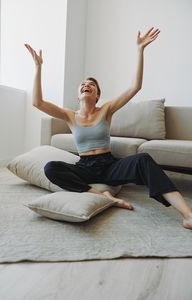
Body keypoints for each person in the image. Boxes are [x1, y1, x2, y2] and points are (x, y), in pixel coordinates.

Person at [25, 27, 192, 229]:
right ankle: (103, 197)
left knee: (144, 160)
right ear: (79, 94)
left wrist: (140, 50)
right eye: (83, 85)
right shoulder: (69, 115)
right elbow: (37, 102)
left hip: (109, 166)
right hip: (84, 167)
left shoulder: (106, 109)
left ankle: (187, 214)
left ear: (97, 95)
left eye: (92, 85)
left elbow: (134, 87)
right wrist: (38, 67)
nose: (86, 85)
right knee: (51, 167)